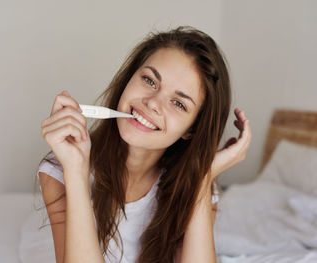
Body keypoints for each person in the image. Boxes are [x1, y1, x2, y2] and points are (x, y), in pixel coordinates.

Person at [38, 25, 252, 263]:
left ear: (191, 130)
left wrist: (202, 179)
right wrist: (76, 172)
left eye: (179, 104)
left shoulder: (192, 187)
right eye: (150, 81)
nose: (152, 103)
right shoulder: (58, 170)